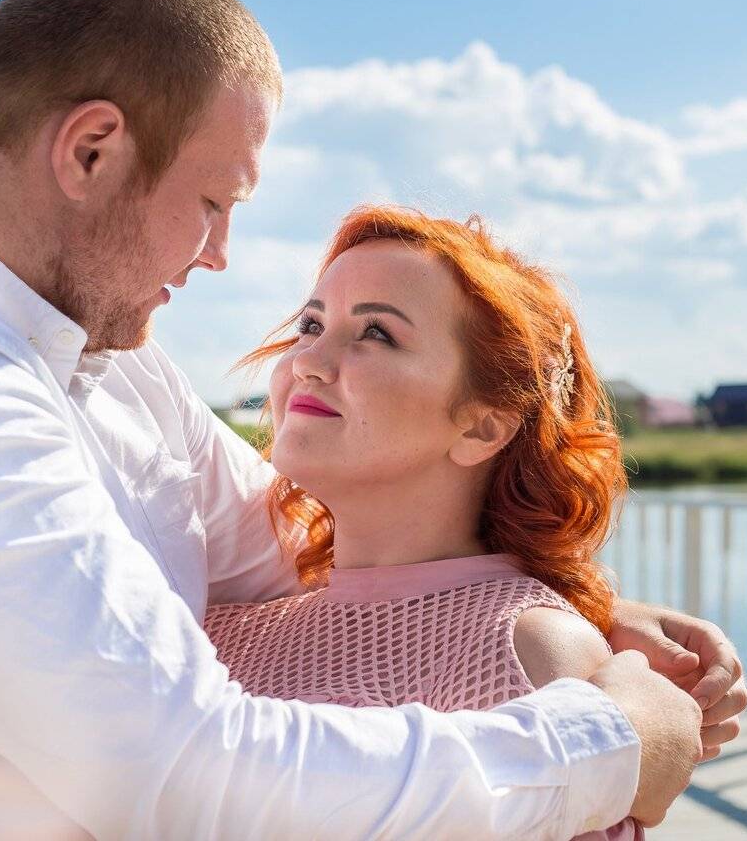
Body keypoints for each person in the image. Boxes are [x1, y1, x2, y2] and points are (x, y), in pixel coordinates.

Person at [0, 0, 745, 839]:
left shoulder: (106, 362)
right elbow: (187, 769)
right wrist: (608, 742)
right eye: (213, 201)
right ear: (91, 150)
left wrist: (575, 612)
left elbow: (305, 543)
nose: (220, 254)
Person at [204, 206, 676, 835]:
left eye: (376, 333)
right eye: (311, 324)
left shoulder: (527, 649)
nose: (309, 360)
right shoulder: (219, 628)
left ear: (483, 426)